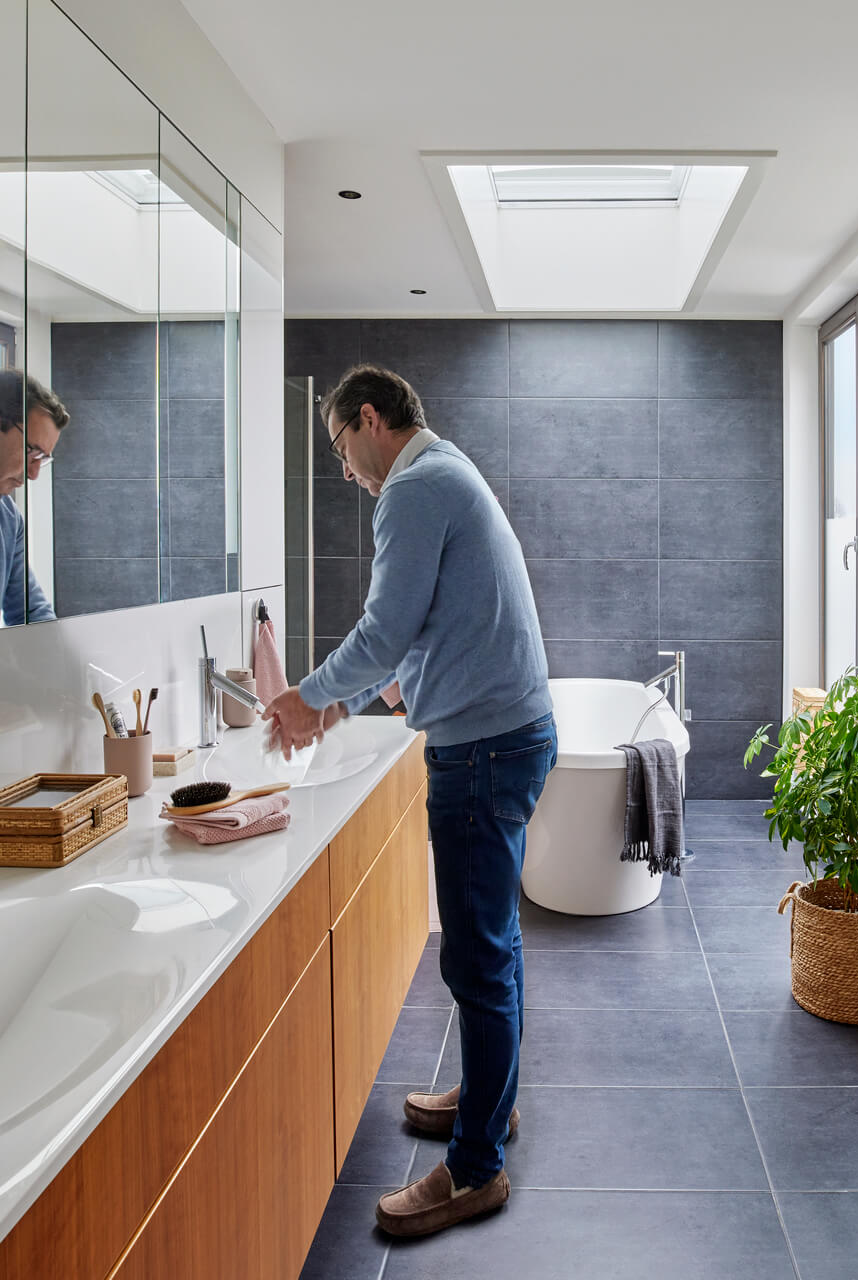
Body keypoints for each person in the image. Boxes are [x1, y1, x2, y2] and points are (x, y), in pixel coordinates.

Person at [265, 364, 556, 1236]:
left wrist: (311, 696)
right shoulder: (447, 472)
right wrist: (357, 698)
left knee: (476, 958)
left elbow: (387, 627)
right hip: (506, 734)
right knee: (489, 948)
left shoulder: (414, 486)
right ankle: (488, 1103)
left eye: (340, 451)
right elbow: (430, 626)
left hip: (485, 748)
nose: (345, 474)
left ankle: (474, 1171)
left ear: (367, 419)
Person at [0, 370, 69, 626]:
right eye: (33, 452)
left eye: (43, 460)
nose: (33, 474)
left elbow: (31, 614)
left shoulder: (8, 519)